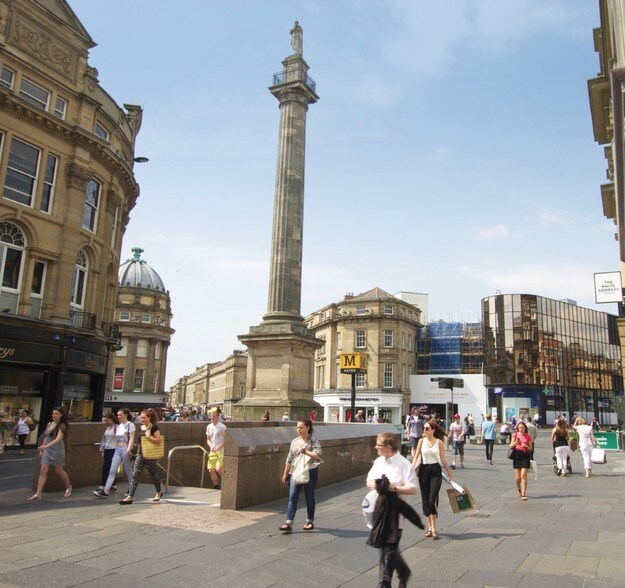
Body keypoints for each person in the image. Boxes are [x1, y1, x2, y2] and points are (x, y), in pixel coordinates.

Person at [367, 432, 418, 588]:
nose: (376, 447)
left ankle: (383, 583)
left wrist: (393, 488)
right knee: (386, 548)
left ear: (388, 447)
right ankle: (403, 571)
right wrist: (378, 486)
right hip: (379, 513)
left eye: (378, 444)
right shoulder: (378, 462)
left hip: (395, 516)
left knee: (388, 551)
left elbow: (413, 488)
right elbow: (369, 481)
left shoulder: (404, 464)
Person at [412, 419, 454, 539]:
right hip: (424, 471)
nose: (424, 430)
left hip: (435, 471)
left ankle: (434, 528)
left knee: (432, 500)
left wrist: (450, 474)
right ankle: (430, 528)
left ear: (433, 431)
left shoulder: (439, 442)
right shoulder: (421, 441)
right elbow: (416, 457)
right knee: (425, 501)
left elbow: (443, 459)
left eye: (427, 428)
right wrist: (410, 471)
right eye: (424, 428)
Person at [279, 419, 322, 533]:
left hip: (310, 471)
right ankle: (289, 522)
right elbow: (290, 458)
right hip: (295, 471)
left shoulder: (313, 440)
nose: (299, 429)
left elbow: (318, 455)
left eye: (301, 427)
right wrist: (285, 473)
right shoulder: (294, 441)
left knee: (309, 496)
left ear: (308, 427)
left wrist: (305, 451)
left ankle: (309, 521)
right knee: (292, 496)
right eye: (297, 427)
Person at [119, 408, 162, 504]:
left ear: (149, 418)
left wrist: (149, 437)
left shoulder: (153, 427)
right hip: (141, 454)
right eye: (141, 418)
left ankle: (158, 492)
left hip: (150, 455)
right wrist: (137, 453)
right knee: (135, 474)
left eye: (144, 418)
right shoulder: (140, 428)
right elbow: (139, 443)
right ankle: (130, 496)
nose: (142, 419)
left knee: (152, 474)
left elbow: (159, 440)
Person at [28, 407, 71, 501]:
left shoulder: (62, 425)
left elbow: (58, 439)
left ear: (61, 415)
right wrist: (43, 448)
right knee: (43, 470)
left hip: (58, 450)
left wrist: (45, 447)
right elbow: (46, 437)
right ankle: (38, 493)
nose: (54, 415)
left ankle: (68, 486)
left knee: (59, 470)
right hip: (47, 449)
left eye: (56, 414)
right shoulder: (49, 424)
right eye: (53, 414)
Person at [93, 408, 135, 498]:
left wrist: (128, 449)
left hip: (125, 448)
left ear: (126, 415)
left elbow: (132, 438)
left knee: (128, 470)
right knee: (112, 470)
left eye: (120, 415)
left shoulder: (130, 425)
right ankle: (106, 490)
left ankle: (131, 489)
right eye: (118, 415)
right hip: (117, 448)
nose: (118, 416)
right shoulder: (119, 426)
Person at [95, 412, 119, 494]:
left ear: (112, 419)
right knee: (110, 468)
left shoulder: (117, 428)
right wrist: (102, 449)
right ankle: (113, 485)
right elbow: (104, 439)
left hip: (114, 449)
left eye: (107, 420)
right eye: (105, 420)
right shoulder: (106, 428)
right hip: (107, 449)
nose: (106, 422)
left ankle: (103, 485)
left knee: (105, 468)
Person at [510, 421, 533, 500]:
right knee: (517, 478)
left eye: (522, 428)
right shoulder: (515, 435)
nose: (521, 429)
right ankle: (518, 488)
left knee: (523, 475)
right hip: (517, 455)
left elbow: (531, 448)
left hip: (525, 456)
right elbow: (510, 446)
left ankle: (523, 494)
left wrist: (526, 446)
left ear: (525, 428)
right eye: (519, 428)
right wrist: (516, 442)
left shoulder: (528, 436)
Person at [206, 408, 227, 489]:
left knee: (218, 468)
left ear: (218, 417)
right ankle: (216, 486)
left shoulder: (222, 427)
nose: (212, 417)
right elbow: (208, 439)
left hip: (221, 450)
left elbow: (227, 438)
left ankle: (227, 483)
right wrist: (211, 446)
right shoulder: (208, 427)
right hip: (213, 450)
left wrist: (220, 445)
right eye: (211, 416)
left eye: (214, 416)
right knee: (211, 469)